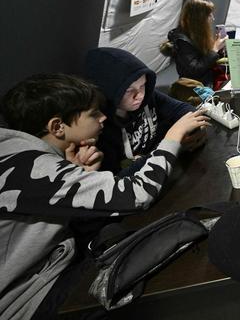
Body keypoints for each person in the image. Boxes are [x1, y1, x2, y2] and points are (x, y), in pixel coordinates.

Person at [0, 73, 209, 319]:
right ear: (57, 126)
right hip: (26, 301)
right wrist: (173, 137)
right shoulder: (32, 169)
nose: (103, 118)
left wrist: (77, 174)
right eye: (93, 113)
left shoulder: (17, 154)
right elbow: (138, 193)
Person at [84, 47, 206, 174]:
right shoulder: (102, 131)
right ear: (108, 92)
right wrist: (173, 145)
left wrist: (196, 130)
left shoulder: (148, 96)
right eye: (128, 90)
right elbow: (117, 179)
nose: (139, 95)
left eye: (142, 85)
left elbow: (184, 110)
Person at [167, 0, 228, 87]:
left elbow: (205, 58)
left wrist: (218, 47)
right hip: (195, 85)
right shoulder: (182, 40)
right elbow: (195, 70)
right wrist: (214, 49)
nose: (213, 18)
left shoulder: (197, 33)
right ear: (199, 18)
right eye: (209, 15)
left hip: (208, 77)